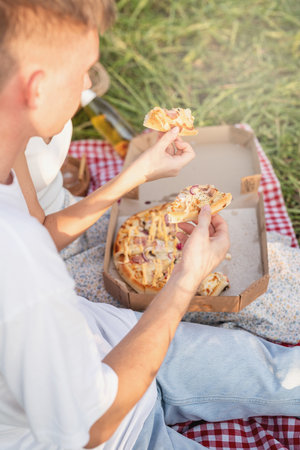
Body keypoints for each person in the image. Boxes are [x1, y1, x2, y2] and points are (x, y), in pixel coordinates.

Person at [0, 1, 299, 450]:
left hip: (116, 335)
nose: (88, 86)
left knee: (284, 375)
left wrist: (137, 174)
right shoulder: (17, 263)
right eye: (85, 71)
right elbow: (91, 425)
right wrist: (185, 279)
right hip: (119, 431)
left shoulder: (10, 155)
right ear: (36, 88)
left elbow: (40, 232)